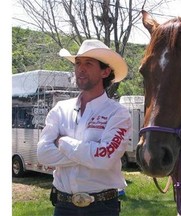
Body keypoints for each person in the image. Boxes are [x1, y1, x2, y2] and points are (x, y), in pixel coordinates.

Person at [37, 39, 132, 216]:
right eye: (78, 63)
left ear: (105, 72)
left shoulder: (118, 114)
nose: (80, 68)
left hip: (102, 208)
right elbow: (43, 154)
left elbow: (105, 159)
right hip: (63, 206)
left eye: (88, 63)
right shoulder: (61, 109)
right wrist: (91, 152)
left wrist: (62, 143)